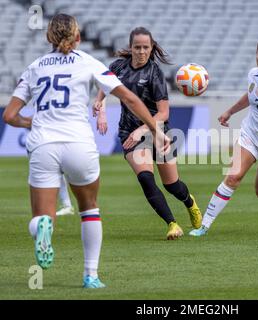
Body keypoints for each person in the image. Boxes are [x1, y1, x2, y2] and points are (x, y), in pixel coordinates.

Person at [2, 14, 169, 288]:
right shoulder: (88, 62)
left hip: (44, 144)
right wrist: (154, 129)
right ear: (78, 37)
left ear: (48, 38)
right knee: (89, 208)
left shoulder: (35, 67)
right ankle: (90, 275)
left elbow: (10, 115)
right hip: (78, 143)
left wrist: (31, 121)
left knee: (42, 217)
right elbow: (128, 97)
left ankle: (43, 228)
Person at [94, 27, 202, 240]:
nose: (141, 51)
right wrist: (101, 110)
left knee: (173, 186)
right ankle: (172, 224)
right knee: (145, 177)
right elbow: (103, 87)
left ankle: (189, 202)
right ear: (131, 47)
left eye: (145, 47)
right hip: (128, 132)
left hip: (157, 132)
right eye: (137, 47)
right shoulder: (117, 67)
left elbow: (163, 113)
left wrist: (143, 130)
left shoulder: (155, 73)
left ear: (151, 48)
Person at [189, 35, 258, 236]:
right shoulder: (253, 74)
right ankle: (203, 226)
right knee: (233, 177)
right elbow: (251, 96)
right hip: (250, 135)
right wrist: (230, 111)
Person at [56, 100, 108, 216]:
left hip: (76, 130)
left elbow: (10, 116)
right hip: (63, 126)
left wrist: (102, 112)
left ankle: (70, 205)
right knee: (56, 167)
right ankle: (67, 205)